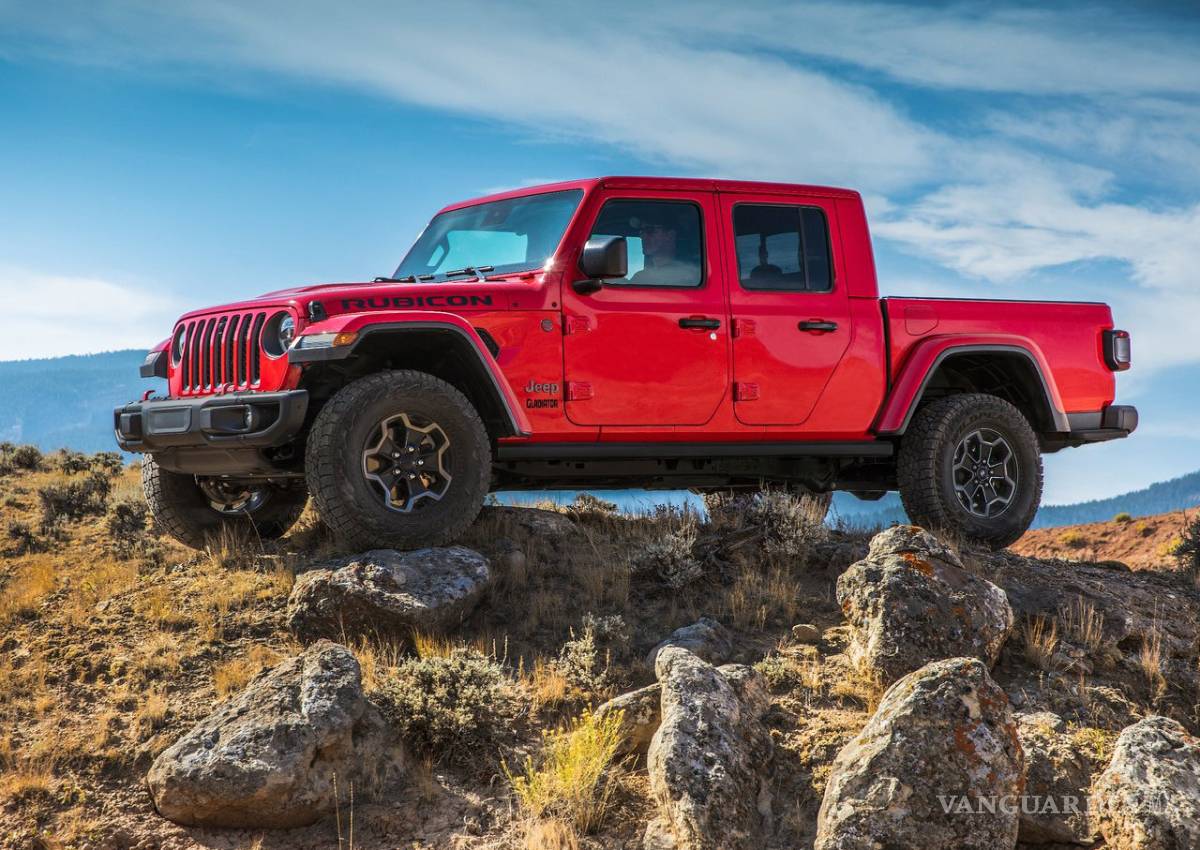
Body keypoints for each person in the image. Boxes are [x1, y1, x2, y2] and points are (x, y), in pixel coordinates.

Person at [628, 212, 700, 285]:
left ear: (670, 235)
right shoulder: (640, 277)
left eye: (650, 230)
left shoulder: (690, 277)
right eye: (641, 232)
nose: (643, 236)